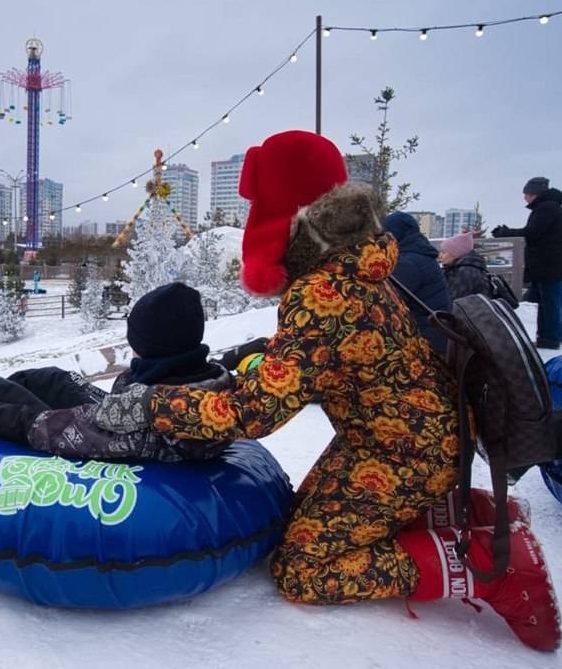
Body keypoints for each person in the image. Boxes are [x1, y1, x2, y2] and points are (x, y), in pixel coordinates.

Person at [31, 131, 557, 651]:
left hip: (402, 451)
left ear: (288, 214)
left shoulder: (323, 292)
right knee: (300, 517)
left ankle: (487, 569)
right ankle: (480, 516)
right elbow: (329, 349)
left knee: (302, 566)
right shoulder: (358, 266)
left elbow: (252, 413)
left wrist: (151, 406)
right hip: (417, 435)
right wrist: (257, 350)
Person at [0, 282, 234, 470]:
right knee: (51, 377)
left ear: (157, 347)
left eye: (138, 344)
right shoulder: (203, 379)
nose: (134, 352)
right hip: (124, 416)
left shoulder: (155, 411)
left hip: (117, 435)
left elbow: (59, 430)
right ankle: (8, 390)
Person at [492, 177, 562, 349]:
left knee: (549, 303)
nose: (525, 198)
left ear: (534, 193)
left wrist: (505, 233)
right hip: (547, 265)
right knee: (544, 301)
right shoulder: (551, 207)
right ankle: (548, 336)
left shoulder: (547, 208)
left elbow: (532, 232)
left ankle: (549, 338)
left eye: (526, 194)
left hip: (548, 266)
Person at [383, 211, 451, 354]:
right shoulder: (419, 254)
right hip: (438, 334)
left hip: (426, 342)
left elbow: (386, 300)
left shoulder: (409, 263)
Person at [438, 231, 490, 300]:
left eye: (444, 252)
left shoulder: (466, 273)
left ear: (456, 253)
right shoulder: (453, 268)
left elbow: (455, 303)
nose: (440, 256)